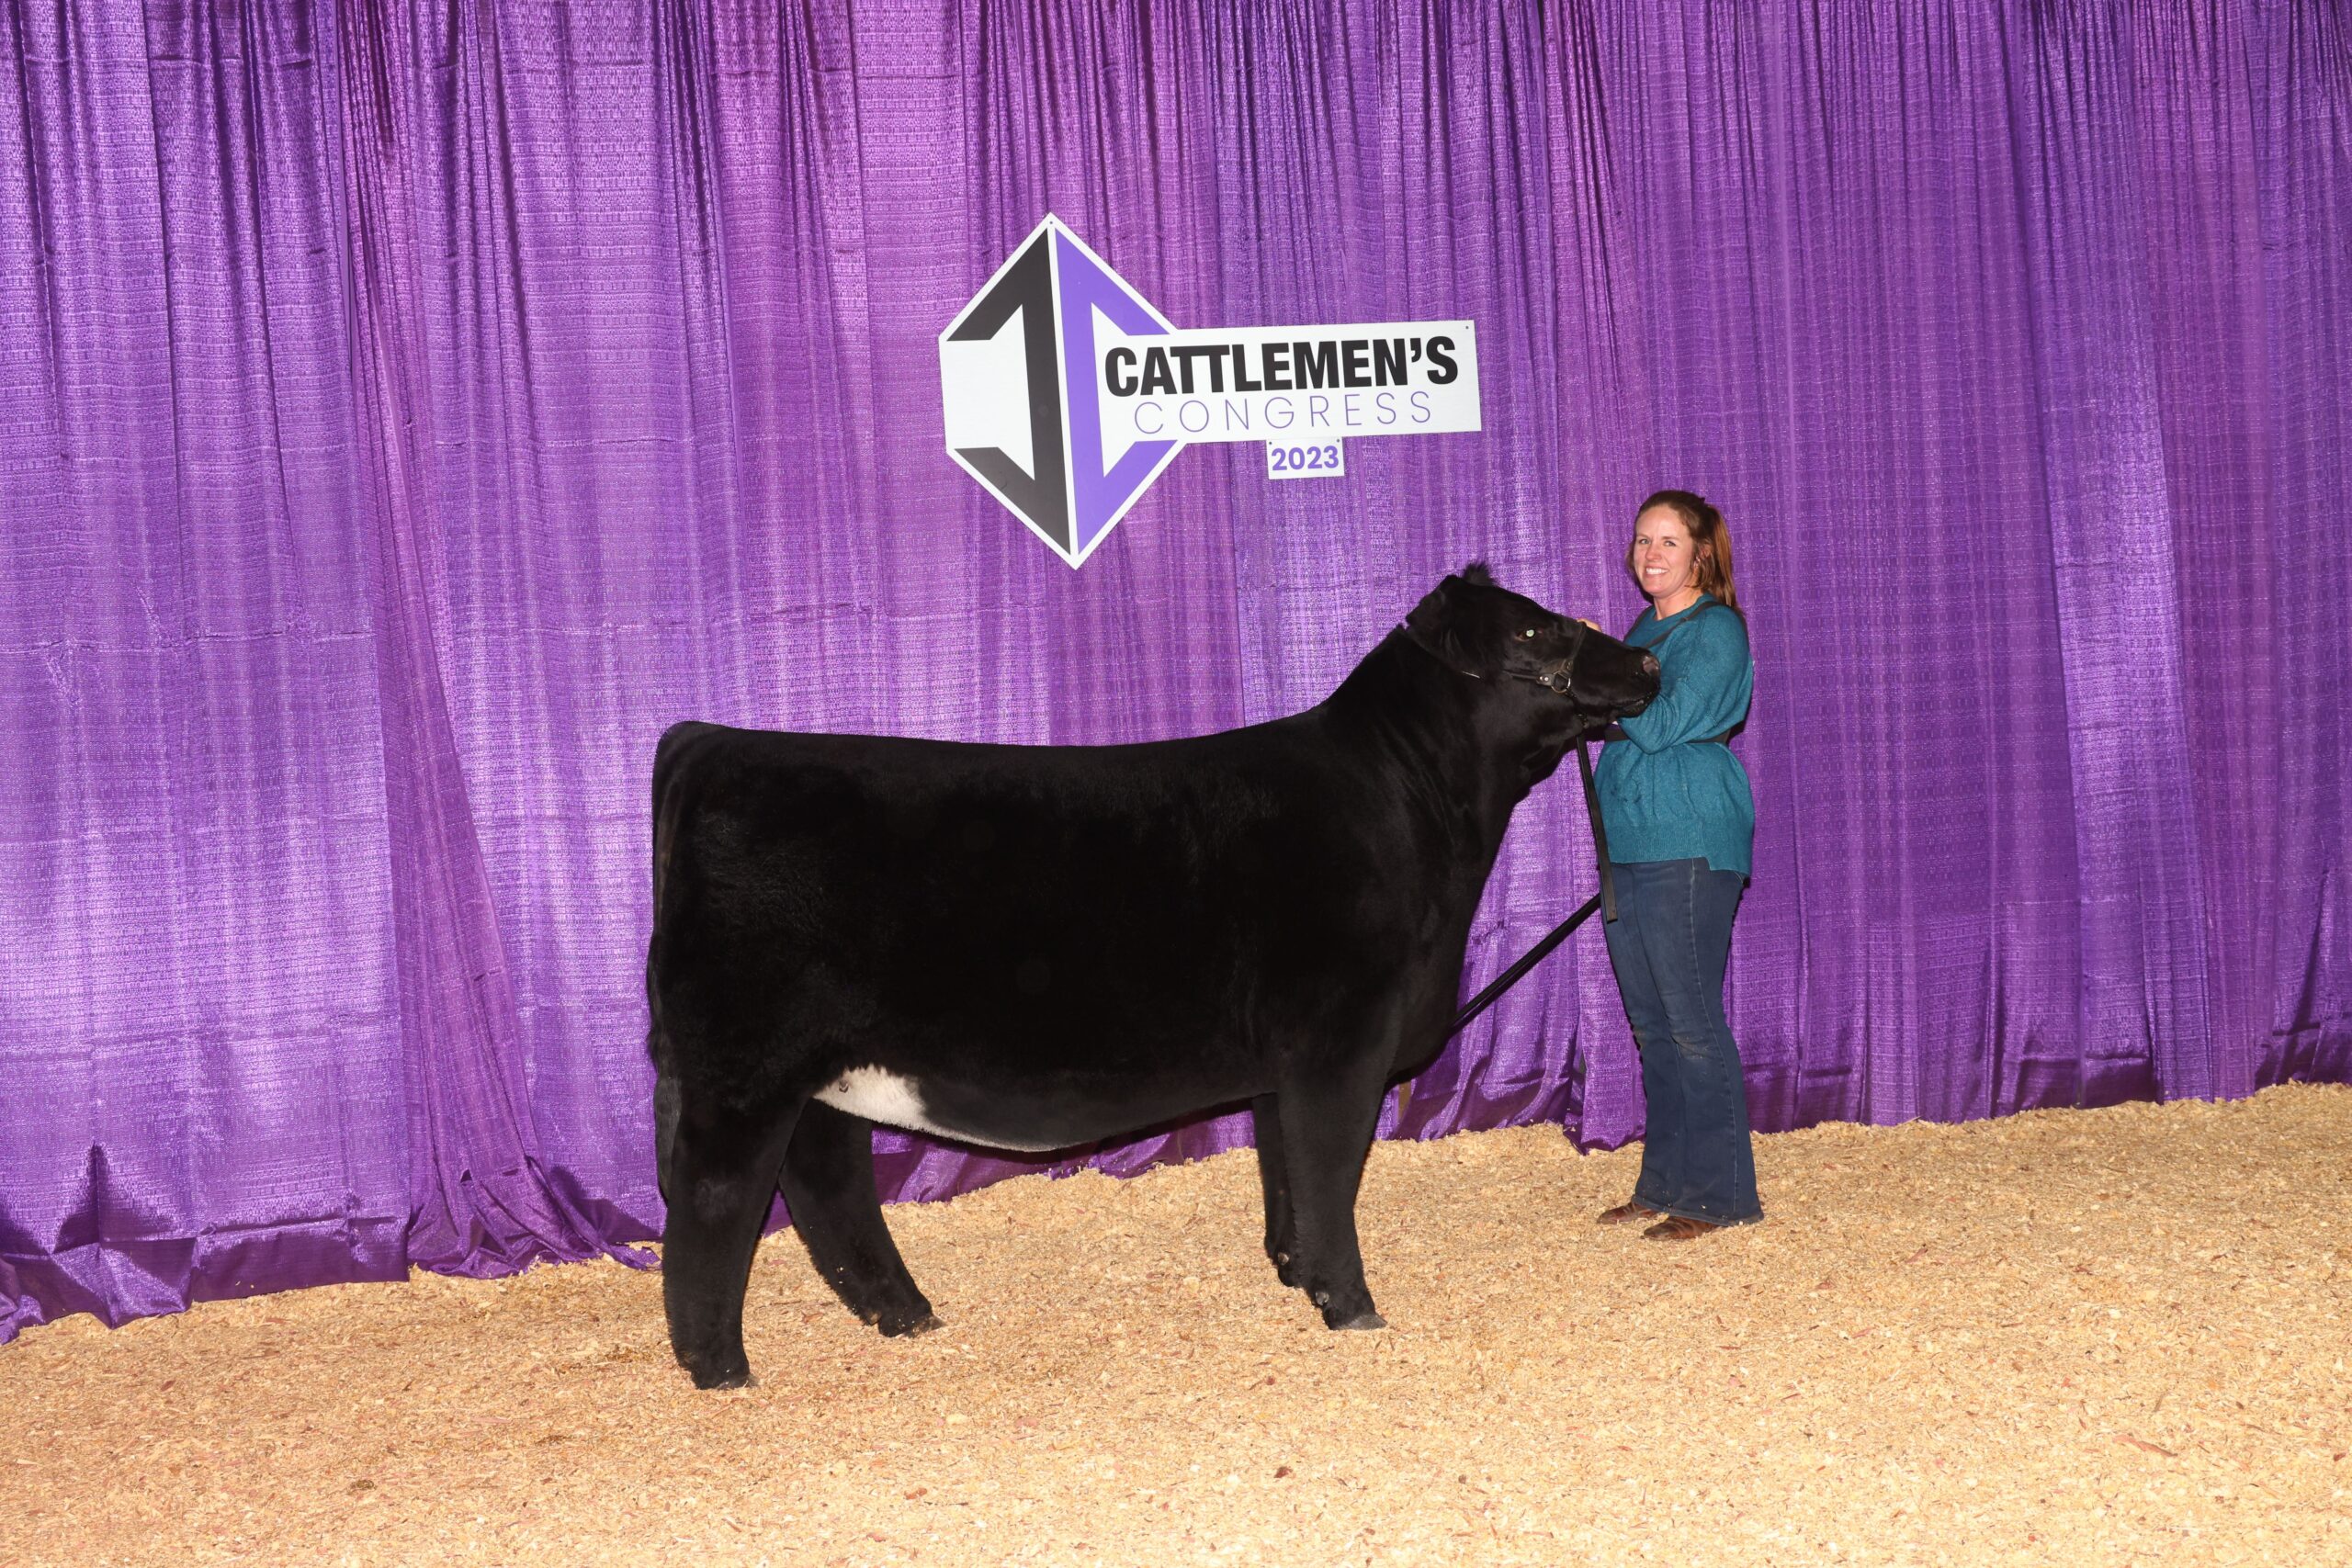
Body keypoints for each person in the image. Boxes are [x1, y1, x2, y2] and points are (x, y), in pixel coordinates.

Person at [1584, 490, 1762, 1240]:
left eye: (1667, 542)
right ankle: (1663, 1182)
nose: (1650, 555)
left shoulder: (1715, 630)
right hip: (1629, 843)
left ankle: (1719, 1196)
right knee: (1654, 1027)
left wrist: (1597, 672)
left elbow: (1654, 726)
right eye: (1640, 541)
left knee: (1690, 1024)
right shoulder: (1643, 630)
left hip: (1688, 837)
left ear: (1700, 554)